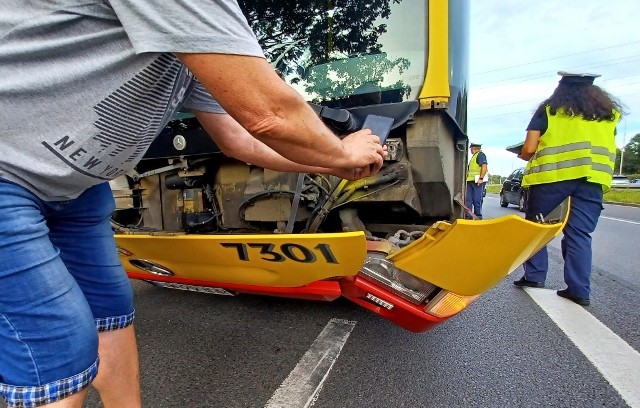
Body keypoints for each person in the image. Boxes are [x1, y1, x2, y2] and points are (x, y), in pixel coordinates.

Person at [0, 2, 388, 407]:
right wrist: (341, 153)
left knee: (111, 315)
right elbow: (269, 114)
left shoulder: (192, 44)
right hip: (6, 177)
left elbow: (241, 140)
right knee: (56, 346)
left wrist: (331, 166)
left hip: (76, 193)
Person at [513, 71, 623, 306]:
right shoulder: (610, 115)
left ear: (561, 88)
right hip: (592, 179)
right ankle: (579, 290)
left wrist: (524, 155)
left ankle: (534, 276)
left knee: (538, 229)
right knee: (580, 234)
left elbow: (530, 148)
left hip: (552, 178)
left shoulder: (550, 110)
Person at [465, 142, 488, 219]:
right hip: (471, 181)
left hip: (478, 181)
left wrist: (481, 178)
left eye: (471, 148)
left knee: (477, 199)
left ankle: (478, 216)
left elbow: (484, 166)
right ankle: (469, 216)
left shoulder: (480, 155)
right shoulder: (474, 157)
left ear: (473, 148)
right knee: (468, 200)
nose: (470, 150)